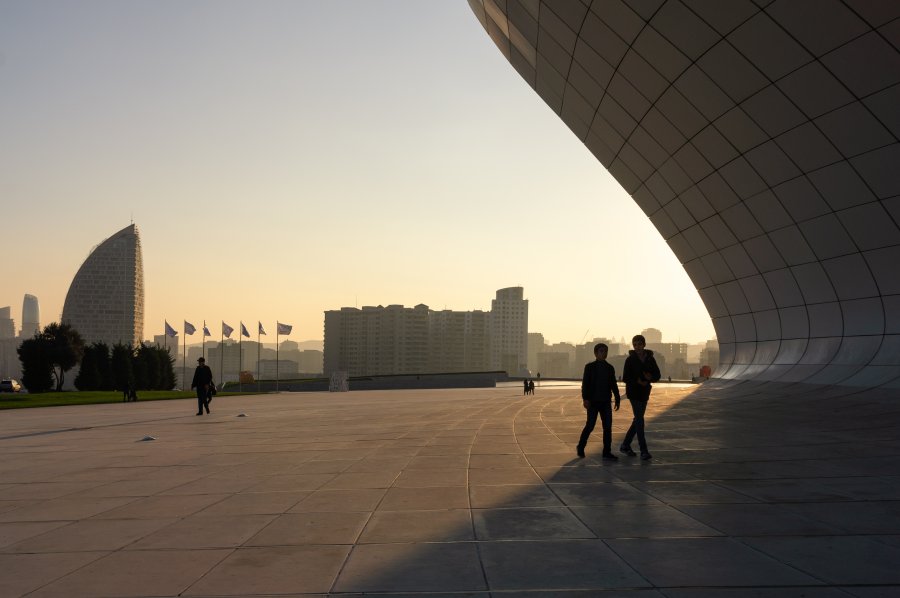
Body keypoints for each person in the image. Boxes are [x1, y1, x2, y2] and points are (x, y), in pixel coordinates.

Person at [577, 343, 620, 460]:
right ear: (595, 353)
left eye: (605, 351)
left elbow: (613, 384)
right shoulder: (589, 367)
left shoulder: (609, 368)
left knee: (607, 427)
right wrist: (585, 399)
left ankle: (607, 451)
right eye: (601, 351)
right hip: (593, 402)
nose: (603, 353)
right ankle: (580, 447)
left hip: (605, 401)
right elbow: (585, 385)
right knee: (590, 426)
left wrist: (617, 397)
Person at [621, 334, 661, 460]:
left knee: (638, 420)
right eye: (635, 344)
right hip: (633, 393)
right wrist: (638, 381)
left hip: (644, 393)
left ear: (644, 344)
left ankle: (625, 445)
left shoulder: (650, 359)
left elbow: (657, 374)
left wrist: (650, 378)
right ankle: (643, 450)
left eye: (639, 344)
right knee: (640, 420)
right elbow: (626, 377)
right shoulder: (630, 360)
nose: (637, 347)